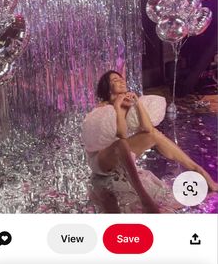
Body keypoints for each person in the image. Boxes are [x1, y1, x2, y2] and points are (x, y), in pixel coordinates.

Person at [82, 70, 218, 213]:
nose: (122, 81)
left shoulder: (127, 103)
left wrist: (137, 103)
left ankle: (199, 170)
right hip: (102, 160)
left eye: (122, 78)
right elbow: (121, 134)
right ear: (107, 87)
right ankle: (145, 199)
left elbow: (147, 128)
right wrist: (116, 106)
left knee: (153, 134)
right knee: (121, 143)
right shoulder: (103, 108)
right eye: (115, 80)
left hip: (123, 154)